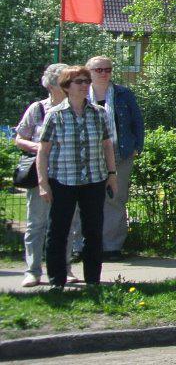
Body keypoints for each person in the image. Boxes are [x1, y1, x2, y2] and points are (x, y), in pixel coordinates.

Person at [36, 66, 117, 289]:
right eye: (78, 82)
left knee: (93, 230)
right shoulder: (55, 115)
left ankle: (93, 280)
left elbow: (107, 145)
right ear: (66, 87)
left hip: (94, 179)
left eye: (86, 81)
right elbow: (43, 152)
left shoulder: (99, 113)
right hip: (63, 180)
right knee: (58, 231)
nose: (84, 85)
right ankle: (57, 281)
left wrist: (112, 174)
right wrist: (43, 183)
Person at [14, 64, 70, 287]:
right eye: (63, 80)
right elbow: (19, 138)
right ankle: (33, 270)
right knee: (36, 223)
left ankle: (65, 268)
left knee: (68, 223)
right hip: (41, 174)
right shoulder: (37, 109)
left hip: (68, 174)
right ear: (51, 84)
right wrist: (39, 147)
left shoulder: (76, 107)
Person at [83, 55, 144, 260]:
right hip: (86, 156)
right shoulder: (80, 94)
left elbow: (137, 121)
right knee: (83, 200)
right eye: (98, 70)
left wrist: (137, 147)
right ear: (89, 72)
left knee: (115, 199)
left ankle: (111, 247)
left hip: (120, 154)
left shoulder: (123, 94)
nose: (104, 73)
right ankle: (81, 246)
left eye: (107, 69)